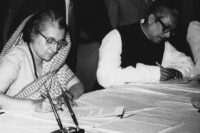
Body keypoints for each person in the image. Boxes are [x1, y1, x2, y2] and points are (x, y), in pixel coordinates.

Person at [0, 10, 84, 112]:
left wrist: (66, 96)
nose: (55, 49)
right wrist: (35, 106)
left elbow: (77, 85)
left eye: (59, 42)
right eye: (50, 41)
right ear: (33, 34)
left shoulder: (53, 60)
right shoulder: (15, 57)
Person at [97, 0, 194, 88]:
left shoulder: (163, 43)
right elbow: (105, 77)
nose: (168, 35)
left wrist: (177, 71)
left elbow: (188, 63)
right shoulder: (116, 36)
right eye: (166, 28)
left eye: (171, 31)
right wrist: (152, 74)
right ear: (151, 19)